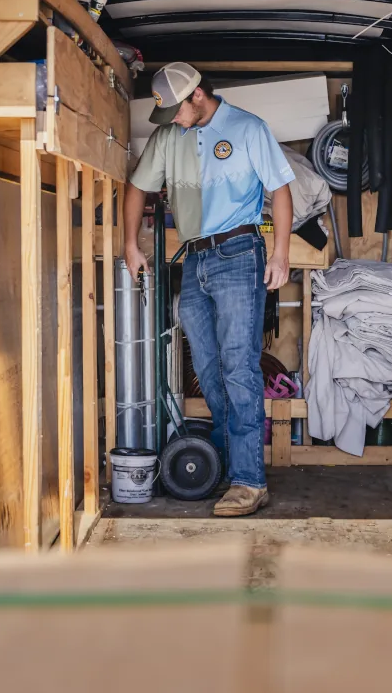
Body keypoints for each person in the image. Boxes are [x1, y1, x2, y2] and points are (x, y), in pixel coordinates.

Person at [125, 63, 294, 517]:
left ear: (197, 95)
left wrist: (280, 254)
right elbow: (137, 186)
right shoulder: (169, 135)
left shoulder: (247, 128)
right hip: (195, 257)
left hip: (239, 253)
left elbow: (280, 191)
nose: (174, 122)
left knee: (239, 366)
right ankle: (230, 463)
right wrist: (129, 244)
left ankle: (249, 481)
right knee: (207, 366)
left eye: (177, 111)